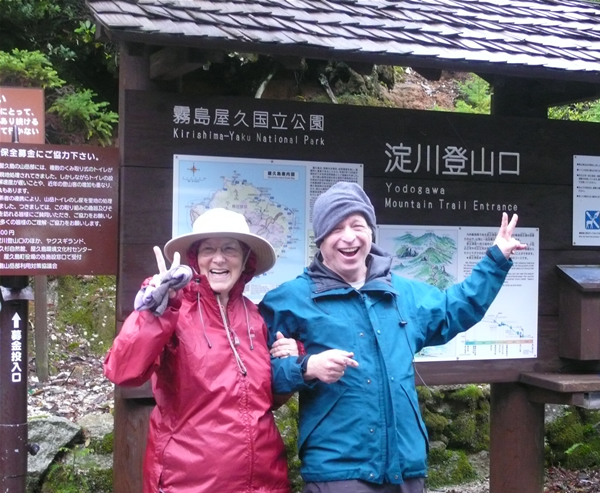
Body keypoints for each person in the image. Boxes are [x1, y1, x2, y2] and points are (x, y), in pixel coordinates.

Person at [259, 182, 526, 493]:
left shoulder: (401, 293)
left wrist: (495, 261)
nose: (348, 237)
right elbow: (257, 375)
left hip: (405, 465)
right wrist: (305, 367)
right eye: (336, 228)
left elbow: (456, 309)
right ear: (321, 239)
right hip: (338, 470)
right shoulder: (291, 299)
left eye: (357, 225)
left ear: (371, 232)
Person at [104, 208, 297, 493]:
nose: (218, 258)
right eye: (208, 249)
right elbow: (122, 371)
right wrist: (154, 314)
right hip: (187, 483)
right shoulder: (174, 310)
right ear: (195, 259)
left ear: (246, 260)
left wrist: (291, 357)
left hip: (265, 482)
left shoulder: (255, 317)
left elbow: (262, 399)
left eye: (230, 248)